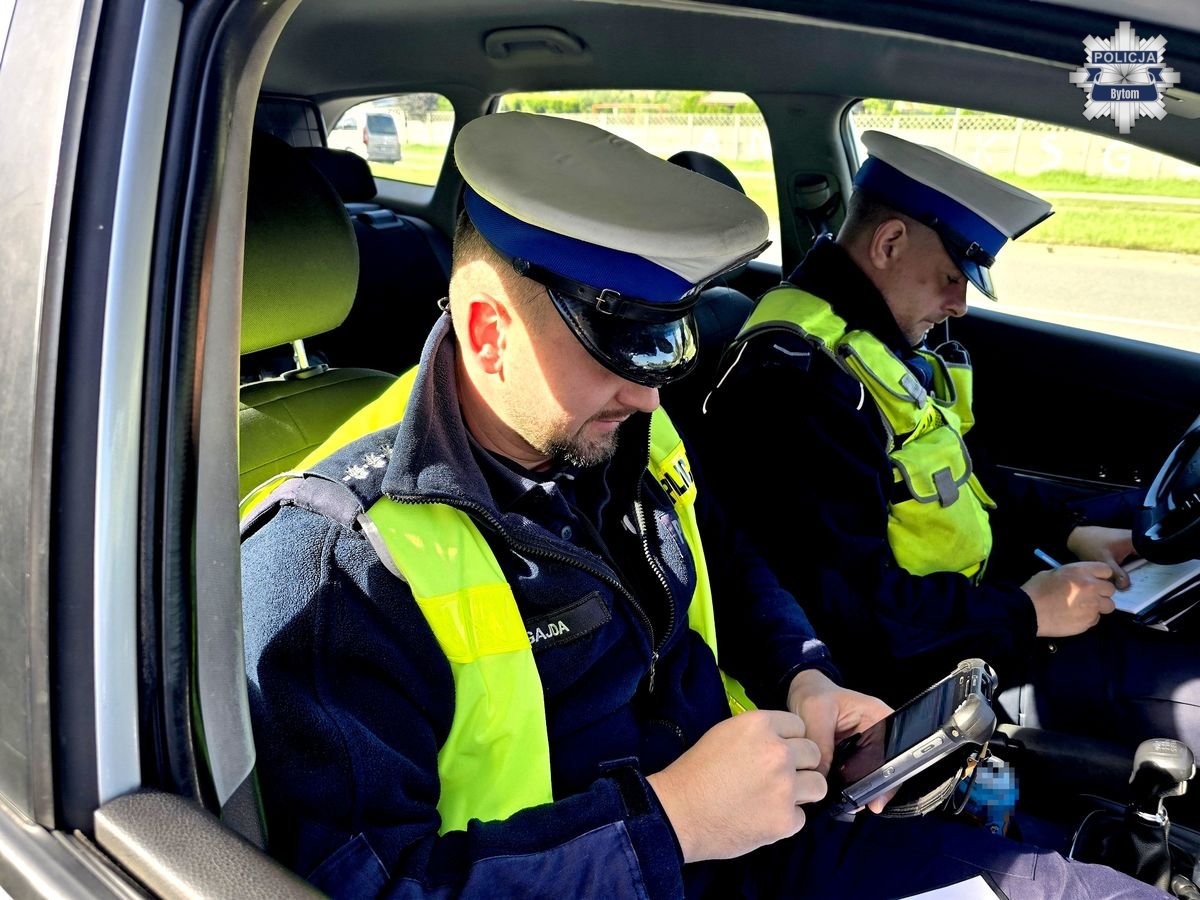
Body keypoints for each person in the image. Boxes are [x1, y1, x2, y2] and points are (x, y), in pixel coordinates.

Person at [241, 113, 1166, 898]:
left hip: (770, 834)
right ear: (490, 333)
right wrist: (672, 822)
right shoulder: (340, 565)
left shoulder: (615, 430)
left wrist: (804, 675)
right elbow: (366, 880)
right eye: (624, 350)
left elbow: (728, 557)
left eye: (670, 345)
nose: (652, 396)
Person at [700, 130, 1200, 755]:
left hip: (970, 614)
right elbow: (848, 613)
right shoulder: (799, 383)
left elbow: (961, 474)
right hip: (925, 672)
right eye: (951, 277)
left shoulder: (872, 343)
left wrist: (1070, 532)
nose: (960, 304)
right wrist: (1025, 613)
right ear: (888, 243)